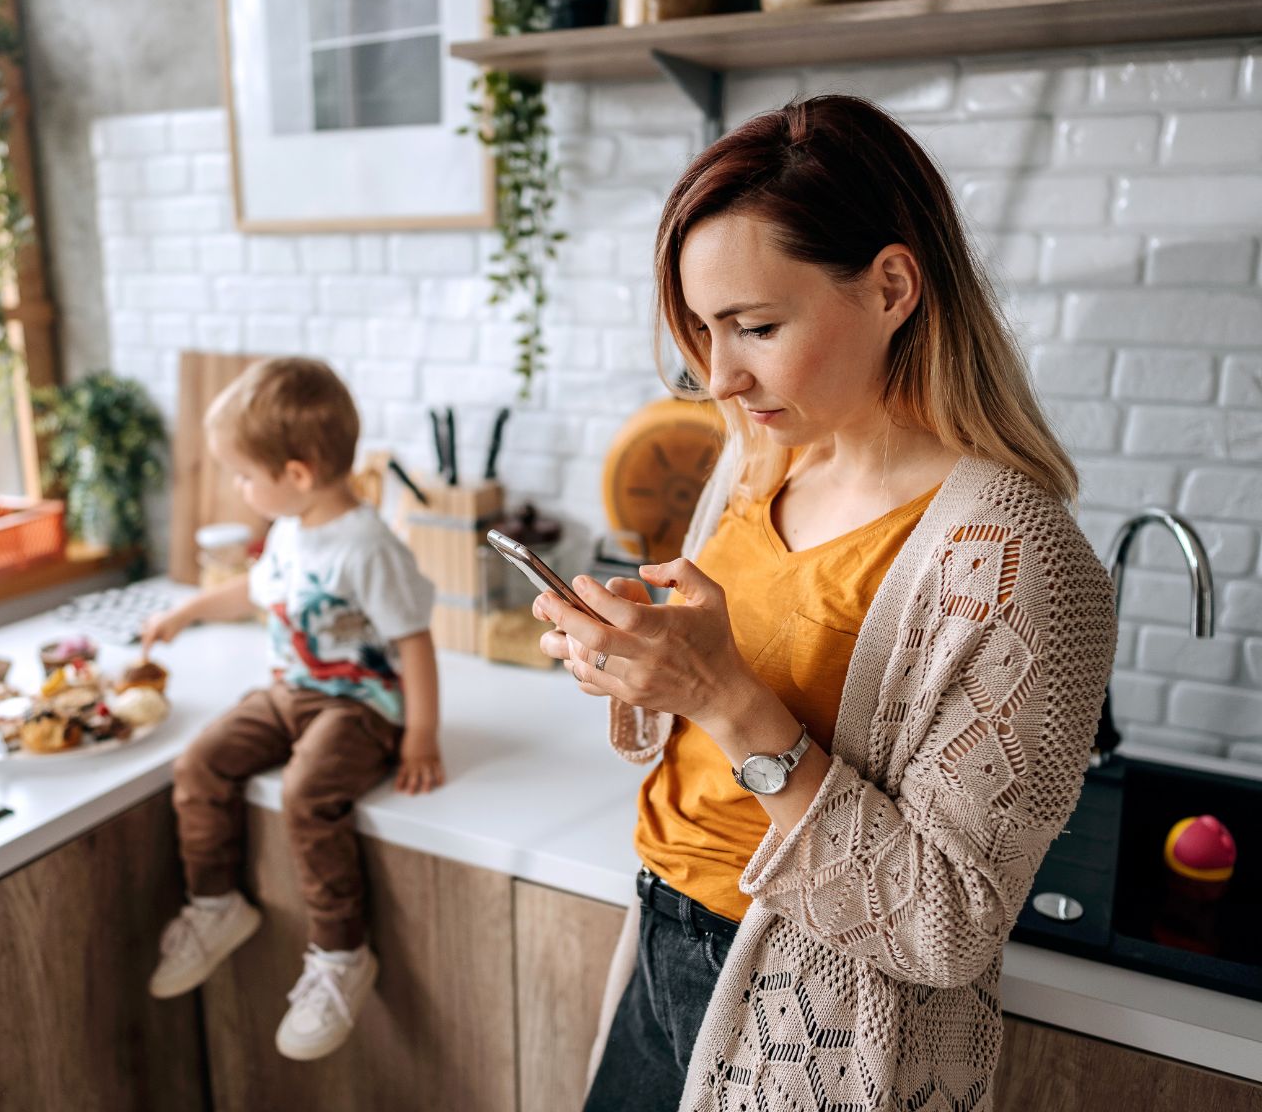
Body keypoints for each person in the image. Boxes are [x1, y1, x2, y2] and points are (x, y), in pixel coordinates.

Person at [536, 96, 1116, 1111]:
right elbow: (719, 716)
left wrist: (721, 694)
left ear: (893, 285)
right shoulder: (766, 456)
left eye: (756, 326)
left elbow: (948, 922)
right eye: (703, 334)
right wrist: (643, 660)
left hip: (814, 1018)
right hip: (658, 943)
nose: (719, 377)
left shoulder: (1018, 559)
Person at [140, 356, 443, 1061]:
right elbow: (252, 591)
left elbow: (415, 641)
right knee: (201, 762)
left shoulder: (367, 548)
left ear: (297, 475)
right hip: (292, 693)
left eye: (245, 476)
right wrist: (186, 611)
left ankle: (342, 952)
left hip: (360, 706)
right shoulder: (289, 530)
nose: (240, 490)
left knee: (308, 794)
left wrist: (421, 735)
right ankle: (217, 905)